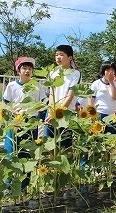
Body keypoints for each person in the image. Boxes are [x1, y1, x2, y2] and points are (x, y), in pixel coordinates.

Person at [2, 56, 46, 189]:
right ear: (18, 71)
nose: (27, 71)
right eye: (24, 68)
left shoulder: (37, 86)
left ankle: (24, 186)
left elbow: (43, 103)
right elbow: (5, 105)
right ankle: (9, 187)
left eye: (30, 69)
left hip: (31, 122)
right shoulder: (12, 86)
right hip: (15, 122)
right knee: (12, 153)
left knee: (27, 155)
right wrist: (13, 112)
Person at [44, 45, 82, 148]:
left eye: (61, 54)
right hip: (52, 112)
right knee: (50, 144)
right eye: (56, 55)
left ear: (70, 58)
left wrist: (58, 112)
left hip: (65, 113)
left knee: (65, 146)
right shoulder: (52, 73)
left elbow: (70, 96)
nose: (58, 57)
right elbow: (52, 94)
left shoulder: (75, 74)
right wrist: (52, 111)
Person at [88, 61, 116, 133]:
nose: (110, 72)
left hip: (112, 116)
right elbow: (90, 102)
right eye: (107, 70)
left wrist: (111, 82)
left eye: (112, 70)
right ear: (103, 71)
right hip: (100, 115)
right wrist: (91, 119)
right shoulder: (96, 84)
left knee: (111, 139)